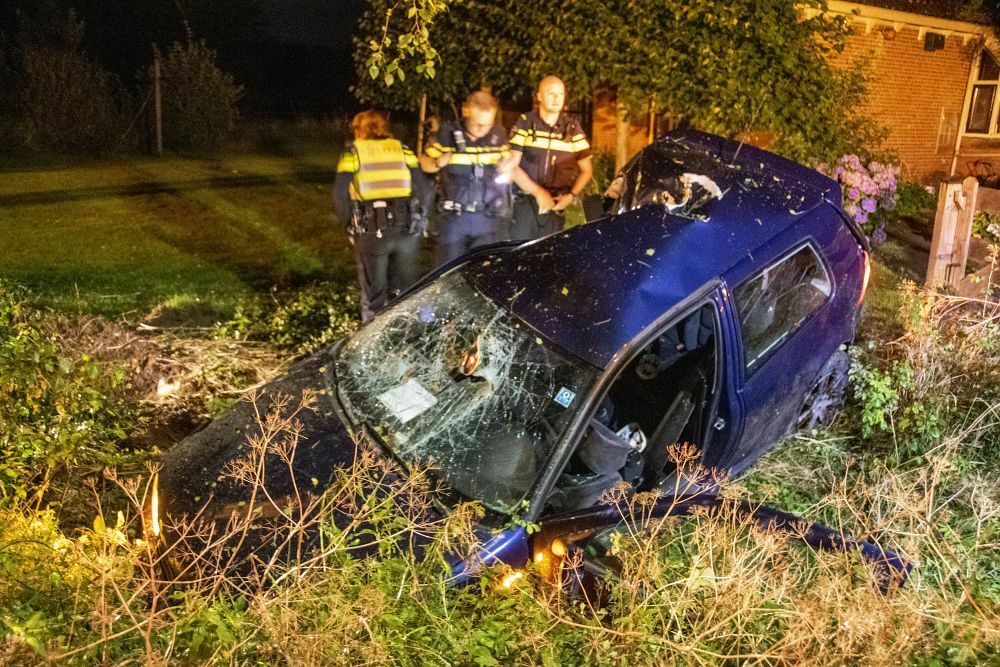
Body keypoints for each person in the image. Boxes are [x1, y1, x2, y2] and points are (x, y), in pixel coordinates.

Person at [333, 110, 434, 322]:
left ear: (359, 129)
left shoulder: (353, 151)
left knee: (374, 296)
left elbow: (339, 194)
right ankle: (406, 334)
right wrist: (421, 219)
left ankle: (374, 342)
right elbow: (425, 190)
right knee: (406, 291)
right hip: (406, 228)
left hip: (372, 229)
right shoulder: (402, 149)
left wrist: (349, 227)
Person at [421, 91, 514, 265]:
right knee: (449, 272)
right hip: (455, 220)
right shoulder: (447, 133)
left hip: (487, 218)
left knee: (485, 273)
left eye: (487, 124)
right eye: (477, 124)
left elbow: (509, 164)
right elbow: (424, 162)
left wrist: (508, 164)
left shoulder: (499, 134)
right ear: (466, 112)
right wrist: (437, 162)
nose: (482, 129)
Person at [508, 76, 593, 240]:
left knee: (548, 258)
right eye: (551, 94)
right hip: (526, 203)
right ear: (539, 96)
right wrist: (538, 192)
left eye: (560, 94)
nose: (557, 99)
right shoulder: (525, 123)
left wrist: (571, 196)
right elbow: (512, 166)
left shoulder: (573, 129)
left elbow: (586, 170)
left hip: (556, 205)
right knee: (520, 256)